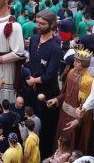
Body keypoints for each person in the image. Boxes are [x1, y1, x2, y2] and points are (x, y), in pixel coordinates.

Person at [25, 9, 61, 158]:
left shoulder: (55, 48)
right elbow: (32, 62)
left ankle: (42, 155)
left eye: (43, 23)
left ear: (52, 24)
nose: (39, 26)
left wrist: (34, 80)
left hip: (47, 92)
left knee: (43, 127)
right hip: (32, 89)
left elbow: (50, 75)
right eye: (38, 22)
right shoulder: (33, 39)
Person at [46, 49, 94, 153]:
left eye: (77, 61)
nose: (74, 63)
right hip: (63, 114)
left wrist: (78, 120)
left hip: (74, 118)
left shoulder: (88, 81)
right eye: (74, 60)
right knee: (59, 141)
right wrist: (56, 99)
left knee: (70, 145)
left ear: (84, 64)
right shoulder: (71, 72)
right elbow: (65, 92)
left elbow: (86, 104)